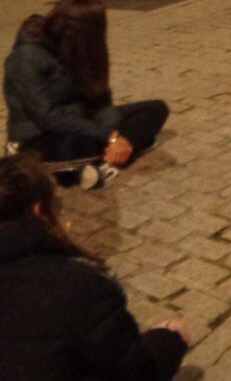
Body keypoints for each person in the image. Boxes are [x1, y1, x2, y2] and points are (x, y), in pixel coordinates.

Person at [0, 153, 190, 378]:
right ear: (39, 211)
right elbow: (136, 372)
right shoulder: (78, 284)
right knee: (171, 331)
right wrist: (169, 340)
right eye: (57, 205)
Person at [3, 0, 170, 188]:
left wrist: (111, 131)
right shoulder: (25, 58)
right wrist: (110, 137)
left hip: (82, 122)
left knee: (155, 109)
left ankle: (104, 161)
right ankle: (118, 154)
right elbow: (47, 117)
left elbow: (101, 100)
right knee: (81, 144)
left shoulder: (80, 49)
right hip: (38, 136)